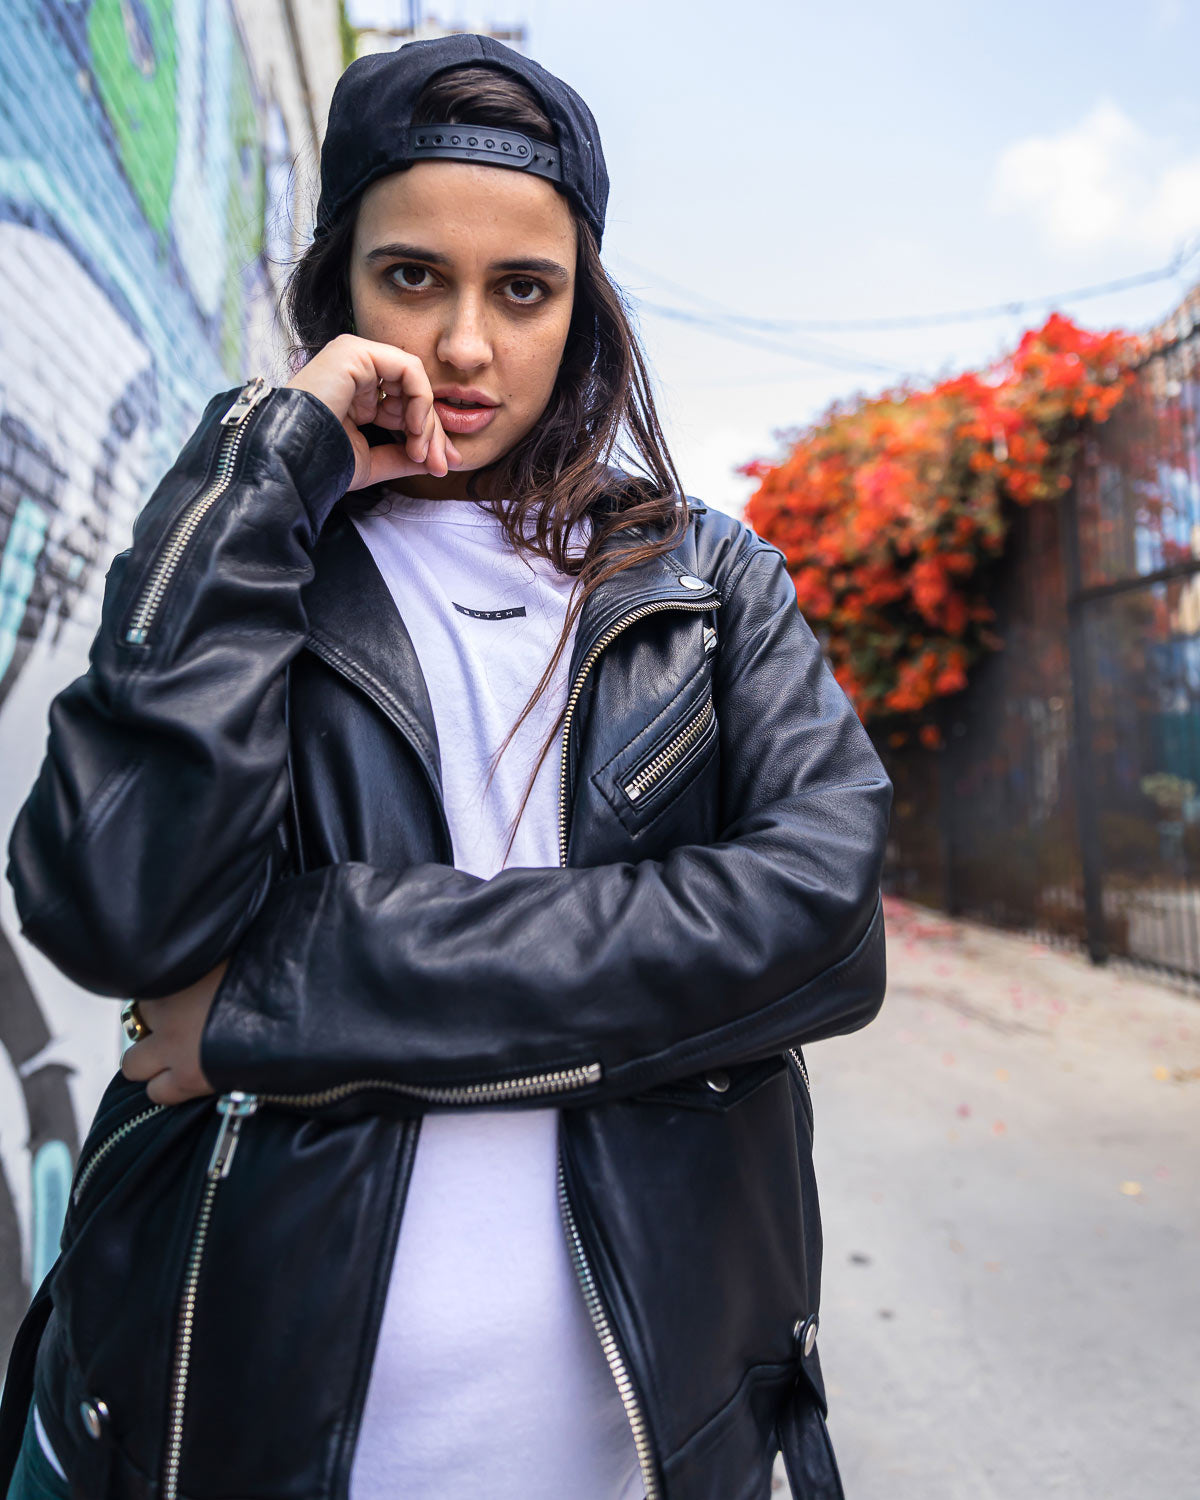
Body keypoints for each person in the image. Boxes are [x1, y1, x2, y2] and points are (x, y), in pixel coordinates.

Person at [0, 33, 891, 1500]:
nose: (466, 347)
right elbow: (117, 909)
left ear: (580, 314)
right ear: (339, 286)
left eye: (522, 290)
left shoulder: (706, 581)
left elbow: (821, 926)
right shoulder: (252, 536)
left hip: (634, 1451)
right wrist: (271, 462)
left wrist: (289, 993)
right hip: (206, 1432)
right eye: (414, 276)